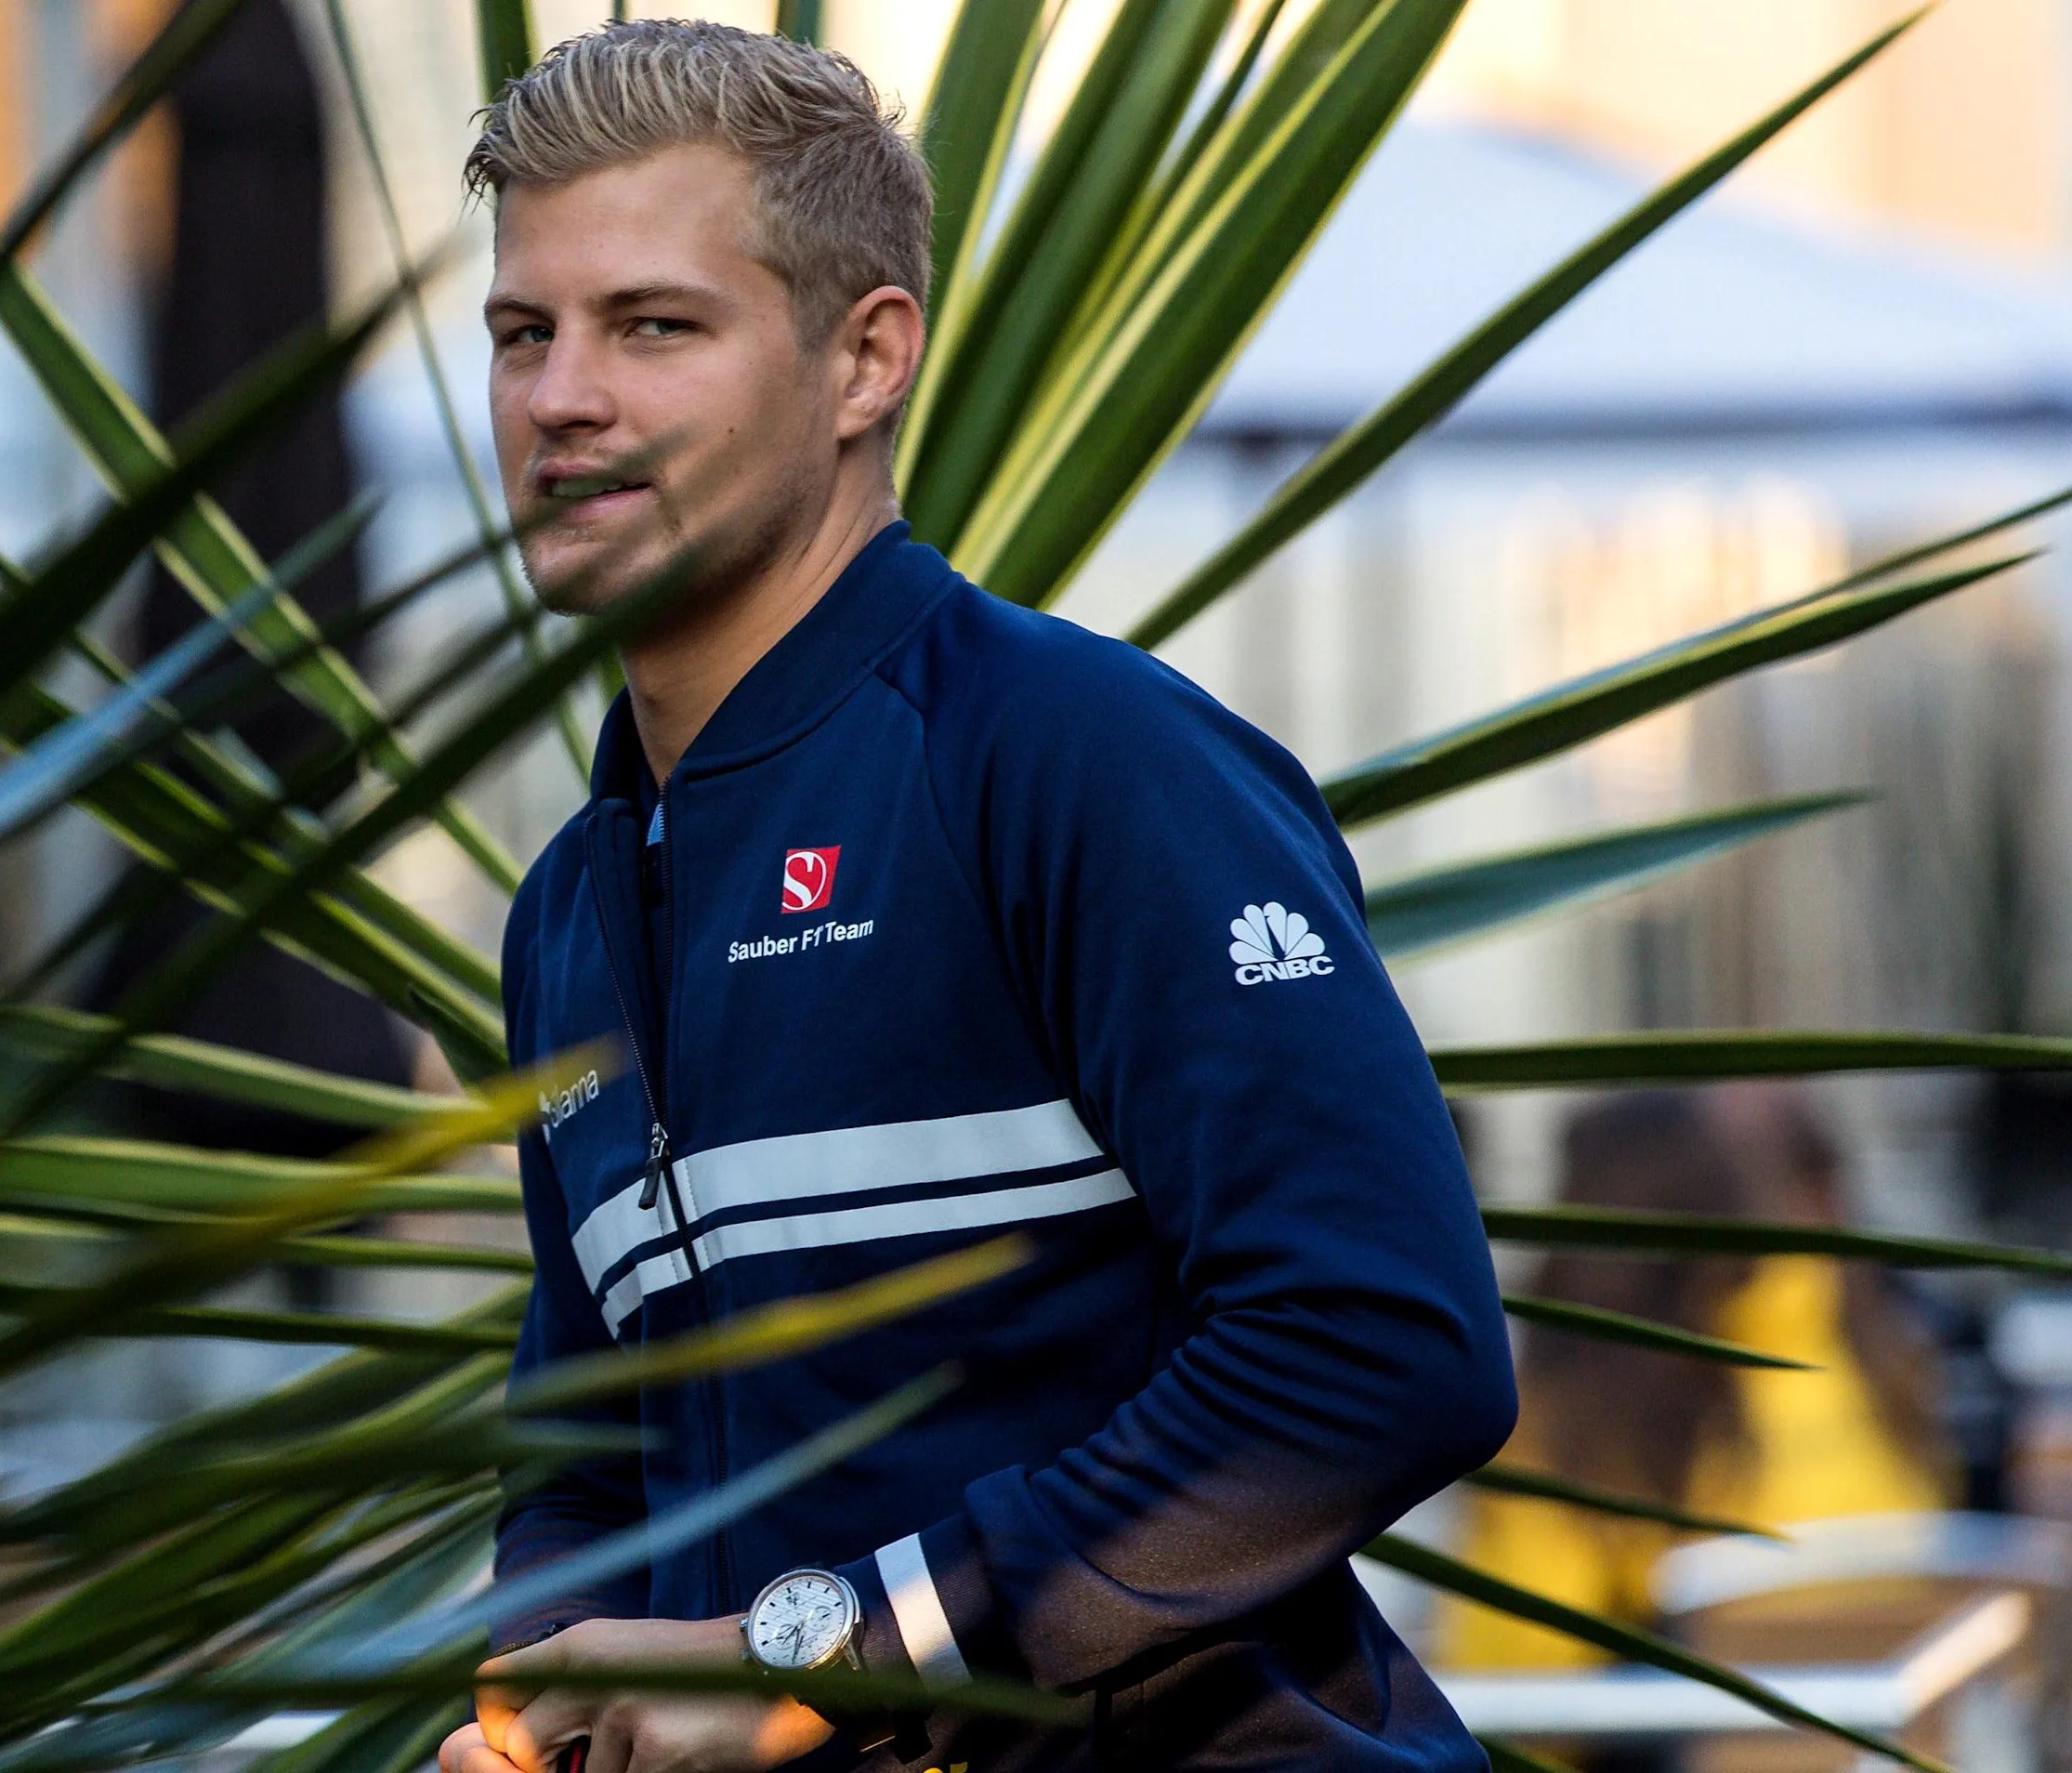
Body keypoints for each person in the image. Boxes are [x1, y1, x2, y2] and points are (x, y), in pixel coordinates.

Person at [438, 22, 1515, 1773]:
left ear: (864, 360)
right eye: (520, 332)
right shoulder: (567, 903)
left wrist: (836, 1648)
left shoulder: (1075, 756)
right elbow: (587, 1441)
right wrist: (533, 1696)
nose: (562, 396)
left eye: (653, 326)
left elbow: (1380, 1339)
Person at [1443, 1090, 1947, 1674]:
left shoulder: (1590, 1416)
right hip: (1886, 1737)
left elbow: (1521, 1667)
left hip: (1701, 1742)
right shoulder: (1844, 1341)